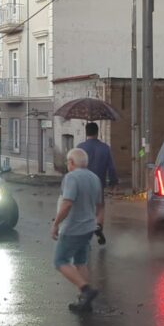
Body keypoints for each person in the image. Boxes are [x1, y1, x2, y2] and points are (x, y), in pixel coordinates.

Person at [51, 147, 105, 313]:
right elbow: (100, 205)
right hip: (89, 227)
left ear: (71, 162)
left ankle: (85, 290)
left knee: (60, 261)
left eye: (68, 161)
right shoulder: (94, 178)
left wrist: (56, 224)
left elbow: (67, 203)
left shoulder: (71, 177)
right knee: (80, 262)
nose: (68, 165)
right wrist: (98, 224)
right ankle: (84, 302)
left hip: (73, 228)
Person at [76, 122, 117, 244]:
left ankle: (84, 232)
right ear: (97, 132)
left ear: (86, 132)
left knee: (84, 208)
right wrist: (113, 182)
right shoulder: (105, 148)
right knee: (100, 207)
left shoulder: (80, 147)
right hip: (98, 183)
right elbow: (111, 167)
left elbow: (74, 165)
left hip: (82, 183)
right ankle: (98, 226)